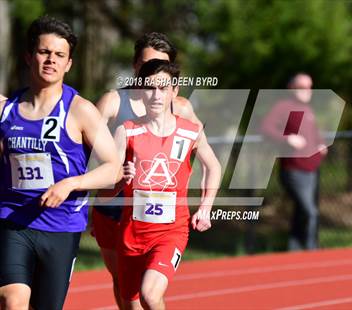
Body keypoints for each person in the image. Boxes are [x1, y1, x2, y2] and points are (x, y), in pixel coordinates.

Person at [0, 16, 121, 309]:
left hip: (61, 227)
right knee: (12, 299)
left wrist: (71, 184)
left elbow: (113, 169)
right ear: (29, 56)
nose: (50, 60)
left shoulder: (80, 111)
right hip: (12, 220)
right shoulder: (6, 110)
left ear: (68, 64)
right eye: (44, 52)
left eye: (59, 55)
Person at [92, 32, 204, 307]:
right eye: (146, 65)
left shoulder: (182, 108)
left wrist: (202, 200)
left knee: (150, 290)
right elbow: (82, 146)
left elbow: (202, 153)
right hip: (113, 209)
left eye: (160, 66)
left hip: (159, 215)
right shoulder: (114, 101)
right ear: (135, 66)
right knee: (124, 285)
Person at [261, 73, 327, 251]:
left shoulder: (308, 110)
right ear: (292, 88)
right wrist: (287, 138)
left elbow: (314, 134)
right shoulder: (283, 107)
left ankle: (295, 250)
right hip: (294, 169)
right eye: (302, 86)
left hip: (311, 169)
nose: (307, 91)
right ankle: (312, 249)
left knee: (302, 212)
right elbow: (266, 128)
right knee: (310, 211)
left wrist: (320, 144)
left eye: (310, 86)